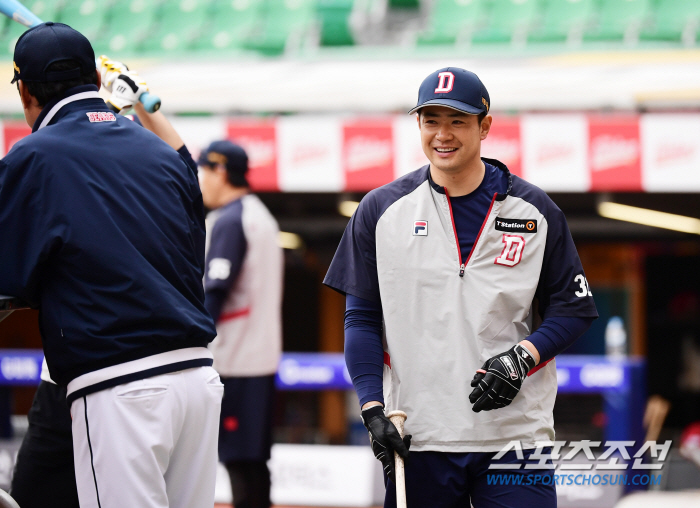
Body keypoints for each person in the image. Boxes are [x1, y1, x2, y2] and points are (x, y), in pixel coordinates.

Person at [324, 67, 598, 508]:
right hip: (418, 433)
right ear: (418, 125)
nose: (442, 134)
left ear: (485, 126)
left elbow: (573, 309)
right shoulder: (380, 210)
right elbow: (362, 318)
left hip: (516, 434)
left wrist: (519, 359)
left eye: (457, 120)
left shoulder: (537, 210)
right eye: (431, 120)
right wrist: (372, 406)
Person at [0, 24, 222, 508]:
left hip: (119, 383)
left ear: (25, 90)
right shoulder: (160, 153)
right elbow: (186, 174)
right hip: (198, 380)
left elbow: (9, 281)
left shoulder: (33, 155)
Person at [198, 140, 283, 508]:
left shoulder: (232, 219)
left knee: (239, 463)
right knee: (252, 462)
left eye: (201, 171)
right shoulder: (259, 214)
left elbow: (215, 291)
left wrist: (190, 341)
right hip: (257, 357)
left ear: (219, 171)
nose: (198, 180)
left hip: (234, 359)